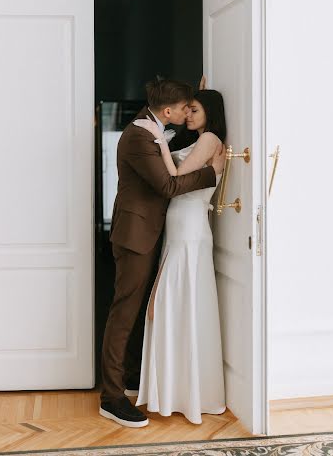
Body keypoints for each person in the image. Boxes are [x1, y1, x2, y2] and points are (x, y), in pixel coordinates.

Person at [99, 79, 226, 428]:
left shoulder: (155, 123)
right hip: (136, 235)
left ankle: (128, 378)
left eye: (194, 108)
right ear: (168, 110)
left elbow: (171, 103)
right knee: (125, 311)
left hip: (155, 233)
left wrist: (198, 84)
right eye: (185, 107)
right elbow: (168, 185)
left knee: (142, 309)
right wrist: (210, 174)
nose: (188, 112)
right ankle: (111, 398)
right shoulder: (142, 135)